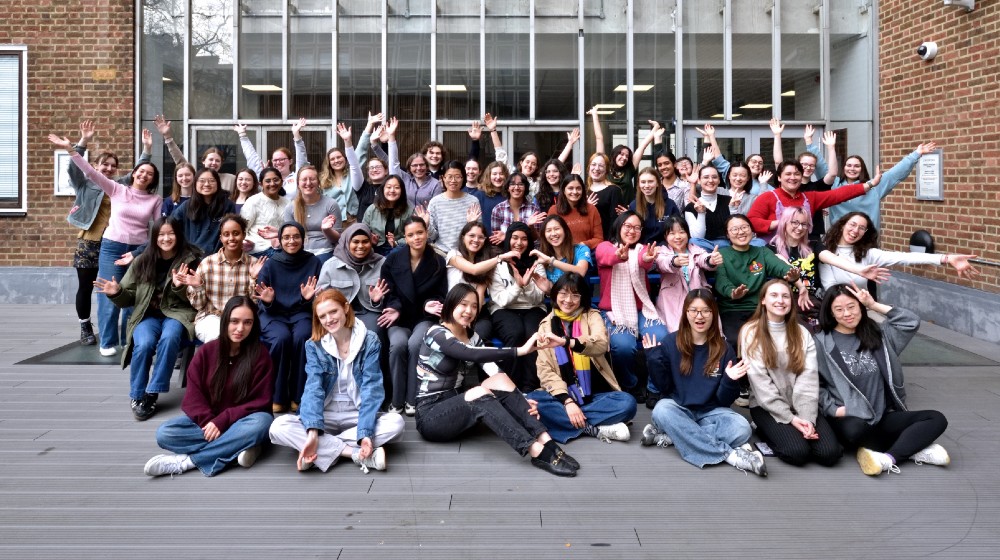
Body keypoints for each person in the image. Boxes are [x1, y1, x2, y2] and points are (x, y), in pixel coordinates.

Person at [414, 284, 579, 477]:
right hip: (431, 416)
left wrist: (521, 399)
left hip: (459, 409)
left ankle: (548, 442)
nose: (469, 311)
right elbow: (469, 353)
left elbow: (492, 369)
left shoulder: (472, 337)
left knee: (499, 378)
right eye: (463, 304)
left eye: (474, 306)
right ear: (451, 305)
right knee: (478, 392)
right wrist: (520, 350)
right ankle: (535, 451)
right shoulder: (436, 333)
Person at [815, 283, 950, 476]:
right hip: (851, 417)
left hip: (882, 415)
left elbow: (910, 321)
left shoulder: (880, 335)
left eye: (852, 307)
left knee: (936, 418)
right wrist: (833, 409)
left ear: (861, 307)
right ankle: (913, 446)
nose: (847, 313)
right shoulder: (821, 342)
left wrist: (874, 304)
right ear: (831, 313)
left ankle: (888, 458)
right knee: (855, 431)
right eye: (839, 309)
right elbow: (814, 383)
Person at [49, 127, 163, 357]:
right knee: (107, 292)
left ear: (154, 179)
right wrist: (73, 148)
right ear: (133, 174)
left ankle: (129, 339)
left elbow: (159, 229)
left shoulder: (154, 199)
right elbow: (89, 171)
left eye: (149, 174)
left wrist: (148, 149)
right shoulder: (116, 189)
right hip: (109, 246)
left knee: (133, 295)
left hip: (138, 251)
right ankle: (107, 340)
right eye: (140, 172)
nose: (143, 175)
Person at [268, 289, 405, 473]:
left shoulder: (369, 340)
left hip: (357, 413)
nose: (329, 319)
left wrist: (364, 432)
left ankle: (322, 450)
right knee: (278, 426)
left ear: (346, 308)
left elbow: (372, 388)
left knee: (396, 423)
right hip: (325, 414)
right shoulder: (314, 345)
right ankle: (353, 453)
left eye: (333, 312)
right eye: (322, 316)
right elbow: (313, 388)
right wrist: (314, 432)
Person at [143, 296, 274, 477]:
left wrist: (223, 421)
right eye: (234, 321)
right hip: (209, 423)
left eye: (247, 322)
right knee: (165, 433)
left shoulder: (260, 355)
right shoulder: (207, 352)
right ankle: (238, 447)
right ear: (225, 320)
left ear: (254, 325)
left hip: (244, 421)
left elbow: (260, 402)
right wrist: (210, 422)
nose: (240, 328)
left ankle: (188, 462)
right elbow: (193, 397)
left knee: (262, 423)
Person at [641, 289, 767, 477]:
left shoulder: (724, 349)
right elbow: (664, 388)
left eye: (706, 311)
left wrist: (729, 380)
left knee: (742, 427)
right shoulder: (670, 342)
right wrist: (653, 359)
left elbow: (723, 402)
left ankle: (673, 436)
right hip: (678, 408)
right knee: (661, 410)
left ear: (713, 314)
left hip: (711, 412)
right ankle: (732, 456)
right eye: (694, 310)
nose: (699, 316)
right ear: (686, 313)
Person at [96, 216, 198, 421]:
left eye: (171, 234)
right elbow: (128, 298)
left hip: (177, 313)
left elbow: (195, 299)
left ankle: (152, 392)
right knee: (144, 344)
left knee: (169, 338)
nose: (166, 238)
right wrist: (115, 292)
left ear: (178, 235)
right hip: (147, 314)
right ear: (154, 237)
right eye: (161, 234)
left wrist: (181, 287)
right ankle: (137, 395)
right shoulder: (143, 260)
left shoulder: (191, 259)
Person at [740, 279, 842, 466]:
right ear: (763, 300)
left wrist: (807, 418)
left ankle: (796, 429)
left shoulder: (802, 332)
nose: (780, 300)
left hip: (802, 402)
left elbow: (809, 378)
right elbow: (761, 384)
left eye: (785, 296)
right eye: (774, 295)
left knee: (829, 454)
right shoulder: (750, 332)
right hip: (766, 406)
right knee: (798, 453)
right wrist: (791, 419)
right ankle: (764, 429)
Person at [527, 273, 637, 444]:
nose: (568, 300)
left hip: (594, 395)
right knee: (532, 402)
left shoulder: (592, 315)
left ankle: (567, 422)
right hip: (564, 396)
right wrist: (568, 402)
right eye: (563, 293)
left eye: (575, 295)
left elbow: (600, 343)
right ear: (555, 294)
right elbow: (545, 371)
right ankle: (597, 429)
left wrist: (568, 342)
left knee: (627, 403)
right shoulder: (546, 326)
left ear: (582, 297)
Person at [768, 208, 891, 329]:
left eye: (804, 224)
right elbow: (784, 266)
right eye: (794, 222)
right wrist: (800, 286)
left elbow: (831, 258)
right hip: (785, 301)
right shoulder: (771, 248)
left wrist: (858, 270)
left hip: (812, 302)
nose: (799, 228)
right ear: (785, 222)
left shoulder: (813, 245)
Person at [380, 216, 448, 415]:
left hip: (424, 317)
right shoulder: (393, 260)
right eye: (411, 235)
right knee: (398, 345)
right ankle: (396, 399)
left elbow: (440, 294)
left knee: (416, 344)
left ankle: (413, 398)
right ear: (405, 238)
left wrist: (429, 304)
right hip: (399, 317)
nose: (416, 238)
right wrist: (395, 308)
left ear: (427, 233)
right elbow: (388, 291)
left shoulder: (437, 261)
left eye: (420, 232)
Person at [594, 211, 668, 394]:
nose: (632, 231)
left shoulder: (643, 249)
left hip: (643, 310)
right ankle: (630, 384)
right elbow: (608, 257)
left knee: (660, 337)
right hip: (614, 310)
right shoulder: (605, 246)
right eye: (627, 226)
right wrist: (620, 255)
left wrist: (647, 259)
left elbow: (645, 260)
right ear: (619, 226)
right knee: (623, 347)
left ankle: (654, 387)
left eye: (637, 227)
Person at [254, 221, 322, 413]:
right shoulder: (271, 263)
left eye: (296, 237)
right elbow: (262, 299)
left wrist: (307, 299)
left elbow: (317, 297)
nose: (291, 241)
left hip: (302, 312)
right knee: (281, 339)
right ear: (280, 240)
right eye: (286, 237)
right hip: (273, 314)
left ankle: (298, 395)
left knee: (302, 337)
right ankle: (277, 395)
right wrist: (268, 301)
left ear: (303, 239)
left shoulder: (313, 261)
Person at [818, 212, 978, 289]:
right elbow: (829, 286)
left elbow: (904, 258)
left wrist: (946, 258)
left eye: (862, 228)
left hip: (863, 310)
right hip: (834, 312)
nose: (855, 231)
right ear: (842, 225)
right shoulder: (824, 251)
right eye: (852, 225)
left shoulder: (867, 253)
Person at [714, 214, 800, 345]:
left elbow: (780, 267)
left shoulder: (762, 252)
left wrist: (791, 275)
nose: (741, 232)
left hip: (760, 308)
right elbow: (722, 282)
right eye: (735, 229)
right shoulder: (722, 255)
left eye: (744, 227)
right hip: (732, 309)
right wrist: (733, 292)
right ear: (727, 234)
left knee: (774, 340)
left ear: (751, 230)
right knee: (736, 341)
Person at [182, 214, 266, 343]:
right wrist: (198, 286)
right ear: (221, 237)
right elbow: (198, 306)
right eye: (226, 234)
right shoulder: (207, 263)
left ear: (244, 235)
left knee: (239, 336)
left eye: (236, 233)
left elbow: (255, 304)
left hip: (242, 319)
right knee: (219, 338)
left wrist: (253, 278)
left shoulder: (254, 264)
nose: (231, 238)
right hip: (211, 317)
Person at [488, 222, 550, 392]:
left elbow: (538, 297)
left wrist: (526, 284)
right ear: (508, 239)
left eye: (524, 239)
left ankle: (532, 387)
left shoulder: (536, 263)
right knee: (514, 333)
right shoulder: (498, 263)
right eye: (515, 238)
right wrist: (518, 285)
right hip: (504, 309)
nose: (519, 243)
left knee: (533, 334)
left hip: (533, 308)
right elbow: (500, 300)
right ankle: (510, 387)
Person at [747, 160, 870, 239]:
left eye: (797, 174)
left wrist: (868, 185)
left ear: (801, 177)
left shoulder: (810, 198)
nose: (793, 177)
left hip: (802, 249)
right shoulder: (767, 197)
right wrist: (777, 223)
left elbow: (838, 194)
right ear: (779, 177)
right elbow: (752, 221)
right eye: (788, 174)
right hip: (772, 250)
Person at [317, 223, 389, 334]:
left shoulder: (381, 263)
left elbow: (390, 296)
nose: (360, 246)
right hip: (339, 313)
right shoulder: (330, 265)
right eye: (355, 242)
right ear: (347, 242)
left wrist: (377, 301)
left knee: (372, 333)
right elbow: (320, 298)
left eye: (365, 241)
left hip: (369, 312)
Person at [655, 216, 722, 332]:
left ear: (688, 234)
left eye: (682, 232)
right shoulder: (661, 251)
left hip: (698, 297)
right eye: (672, 233)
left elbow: (703, 259)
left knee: (708, 332)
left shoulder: (695, 250)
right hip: (672, 301)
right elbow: (663, 263)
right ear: (666, 237)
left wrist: (711, 260)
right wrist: (675, 262)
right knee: (677, 333)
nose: (678, 237)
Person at [445, 221, 507, 341]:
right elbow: (473, 270)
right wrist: (498, 258)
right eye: (472, 236)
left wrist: (470, 318)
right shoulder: (453, 255)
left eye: (481, 237)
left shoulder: (486, 261)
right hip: (455, 308)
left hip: (477, 311)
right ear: (463, 237)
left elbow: (479, 293)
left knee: (479, 335)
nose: (476, 240)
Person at [154, 114, 237, 192]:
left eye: (217, 161)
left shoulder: (231, 179)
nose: (214, 163)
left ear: (221, 163)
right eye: (211, 159)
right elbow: (180, 160)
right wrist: (167, 137)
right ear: (203, 161)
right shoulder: (195, 177)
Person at [235, 118, 309, 199]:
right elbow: (252, 159)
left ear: (290, 161)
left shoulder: (297, 177)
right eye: (275, 160)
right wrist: (242, 135)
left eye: (282, 159)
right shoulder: (266, 178)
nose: (278, 162)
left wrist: (296, 136)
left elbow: (302, 159)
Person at [281, 165, 342, 262]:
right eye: (304, 179)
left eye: (312, 179)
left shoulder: (331, 204)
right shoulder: (290, 207)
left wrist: (326, 230)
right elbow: (289, 237)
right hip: (299, 252)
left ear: (318, 182)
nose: (308, 183)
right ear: (298, 184)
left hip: (325, 251)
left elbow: (337, 239)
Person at [172, 168, 237, 255]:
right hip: (191, 258)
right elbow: (171, 224)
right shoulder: (187, 206)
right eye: (202, 181)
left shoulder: (227, 206)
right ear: (195, 184)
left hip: (219, 258)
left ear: (218, 183)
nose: (206, 184)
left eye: (211, 181)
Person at [424, 160, 481, 254]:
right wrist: (426, 225)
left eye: (457, 177)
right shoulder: (435, 202)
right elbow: (433, 237)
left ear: (463, 178)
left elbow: (478, 234)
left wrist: (472, 224)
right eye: (449, 177)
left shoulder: (473, 201)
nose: (453, 181)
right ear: (443, 178)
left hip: (465, 253)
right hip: (441, 253)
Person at [386, 118, 442, 208]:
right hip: (404, 220)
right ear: (409, 168)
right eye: (415, 165)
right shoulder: (404, 179)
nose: (419, 168)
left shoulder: (435, 184)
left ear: (427, 166)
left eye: (422, 165)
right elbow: (393, 163)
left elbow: (437, 208)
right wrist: (391, 137)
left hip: (426, 221)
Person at [685, 165, 741, 251]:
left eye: (714, 177)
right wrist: (701, 213)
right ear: (699, 181)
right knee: (693, 242)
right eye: (706, 177)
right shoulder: (691, 207)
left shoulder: (730, 201)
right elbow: (697, 237)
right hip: (703, 246)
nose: (710, 180)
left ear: (719, 180)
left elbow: (737, 231)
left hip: (727, 243)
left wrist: (733, 209)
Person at [240, 167, 289, 258]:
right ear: (261, 184)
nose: (272, 184)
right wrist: (245, 242)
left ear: (281, 182)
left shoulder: (287, 203)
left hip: (282, 246)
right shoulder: (253, 201)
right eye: (268, 181)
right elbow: (242, 227)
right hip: (260, 248)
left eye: (276, 180)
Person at [320, 123, 364, 224]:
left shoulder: (352, 175)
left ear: (345, 158)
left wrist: (348, 141)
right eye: (332, 159)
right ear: (329, 163)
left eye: (339, 157)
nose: (336, 161)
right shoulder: (323, 181)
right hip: (333, 222)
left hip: (354, 220)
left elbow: (361, 151)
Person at [531, 215, 592, 284]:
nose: (553, 234)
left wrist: (550, 261)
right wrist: (547, 290)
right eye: (548, 230)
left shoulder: (581, 249)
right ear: (544, 235)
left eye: (557, 229)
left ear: (565, 230)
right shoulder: (543, 256)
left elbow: (581, 272)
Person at [362, 174, 413, 256]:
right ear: (383, 190)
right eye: (388, 187)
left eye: (396, 187)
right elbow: (363, 229)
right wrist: (370, 238)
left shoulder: (409, 210)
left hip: (399, 249)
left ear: (402, 191)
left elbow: (412, 235)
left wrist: (396, 243)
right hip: (375, 248)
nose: (392, 190)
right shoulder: (372, 209)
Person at [549, 174, 603, 250]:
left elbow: (599, 239)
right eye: (570, 188)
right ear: (564, 190)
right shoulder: (553, 210)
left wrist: (581, 245)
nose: (575, 192)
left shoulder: (592, 209)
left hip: (585, 253)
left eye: (578, 188)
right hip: (560, 253)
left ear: (583, 190)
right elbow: (548, 236)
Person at [489, 172, 546, 245]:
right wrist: (507, 238)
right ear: (508, 188)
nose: (516, 187)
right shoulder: (498, 209)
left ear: (525, 188)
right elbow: (496, 239)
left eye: (520, 184)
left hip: (529, 252)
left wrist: (530, 226)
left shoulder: (533, 209)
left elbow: (537, 239)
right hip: (505, 252)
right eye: (512, 184)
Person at [631, 167, 680, 245]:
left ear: (658, 183)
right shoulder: (634, 205)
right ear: (639, 184)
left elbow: (677, 231)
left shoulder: (670, 205)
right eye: (643, 182)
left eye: (650, 182)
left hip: (666, 248)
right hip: (641, 249)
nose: (646, 185)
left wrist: (663, 246)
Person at [584, 153, 622, 240]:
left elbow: (615, 221)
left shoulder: (614, 190)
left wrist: (610, 242)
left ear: (606, 170)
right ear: (589, 167)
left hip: (605, 240)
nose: (596, 168)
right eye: (593, 164)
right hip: (586, 241)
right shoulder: (583, 190)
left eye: (601, 166)